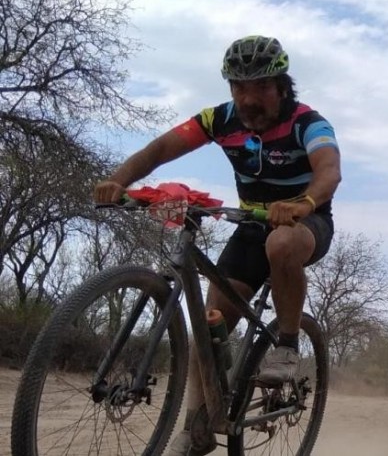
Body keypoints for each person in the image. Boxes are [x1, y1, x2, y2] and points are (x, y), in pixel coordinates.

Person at [93, 35, 341, 456]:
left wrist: (303, 203)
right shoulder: (219, 119)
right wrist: (120, 179)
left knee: (281, 244)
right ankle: (198, 428)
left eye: (260, 86)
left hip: (305, 220)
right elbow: (160, 149)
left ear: (281, 85)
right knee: (211, 326)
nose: (248, 98)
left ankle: (286, 344)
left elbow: (329, 171)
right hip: (248, 226)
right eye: (238, 87)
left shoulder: (307, 123)